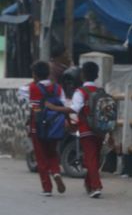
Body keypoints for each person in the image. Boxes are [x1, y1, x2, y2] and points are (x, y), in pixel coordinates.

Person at [44, 62, 105, 198]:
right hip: (100, 130)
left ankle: (96, 186)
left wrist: (54, 108)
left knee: (90, 158)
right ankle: (89, 184)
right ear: (96, 75)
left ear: (82, 75)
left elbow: (73, 109)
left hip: (86, 129)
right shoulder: (101, 91)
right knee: (95, 157)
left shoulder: (80, 92)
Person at [22, 61, 66, 196]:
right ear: (49, 73)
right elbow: (63, 104)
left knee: (41, 157)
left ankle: (47, 188)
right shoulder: (58, 88)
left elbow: (31, 104)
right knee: (52, 152)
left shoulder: (32, 89)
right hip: (55, 125)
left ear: (35, 75)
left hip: (38, 127)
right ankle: (56, 172)